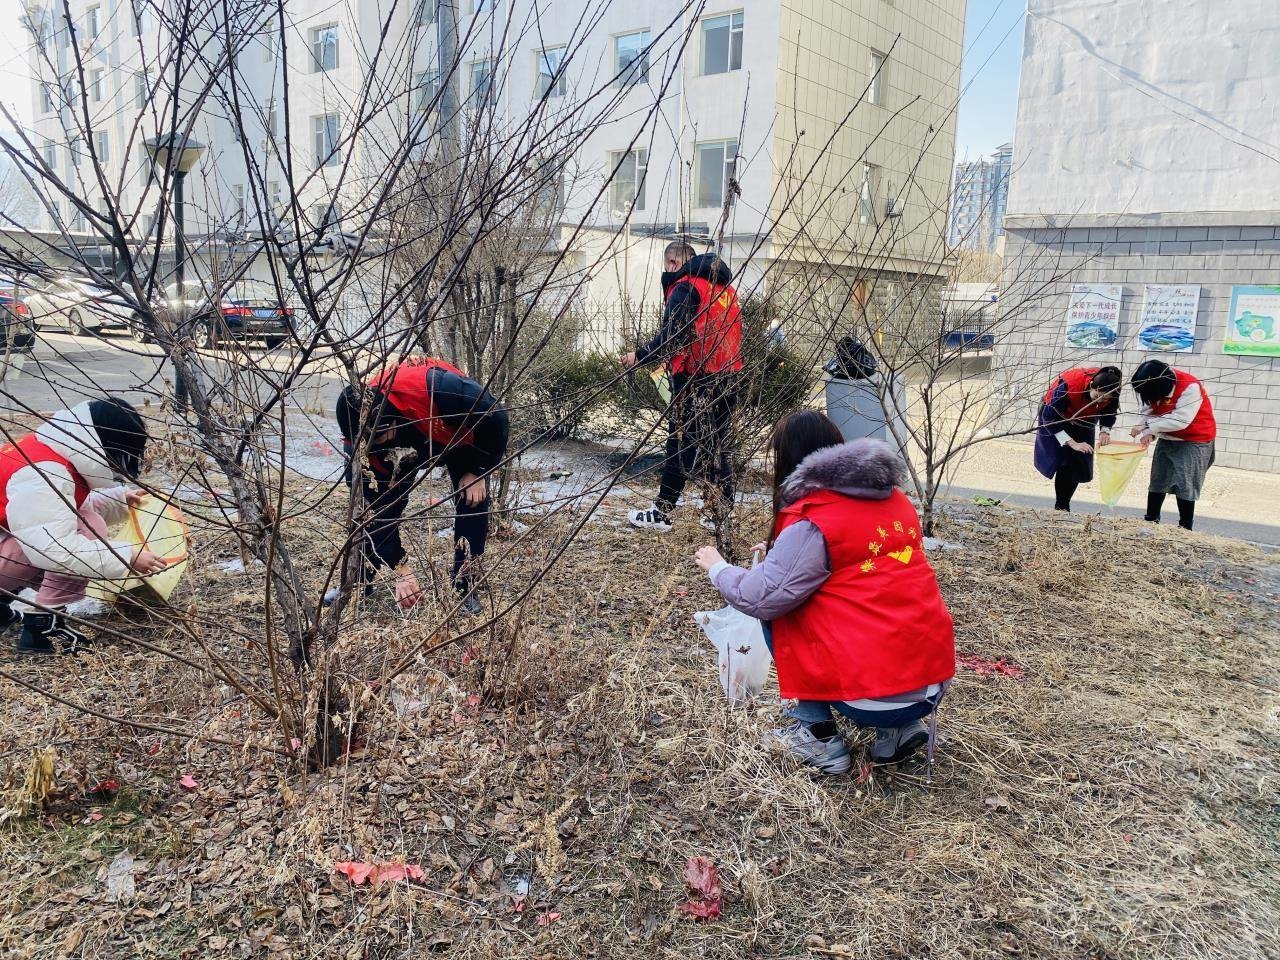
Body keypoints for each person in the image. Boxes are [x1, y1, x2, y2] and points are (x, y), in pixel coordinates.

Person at [694, 410, 956, 775]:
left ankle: (817, 736)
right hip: (930, 684)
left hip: (872, 696)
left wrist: (718, 567)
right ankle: (896, 732)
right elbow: (858, 570)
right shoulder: (896, 502)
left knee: (781, 612)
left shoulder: (814, 518)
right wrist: (786, 550)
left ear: (790, 460)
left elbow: (763, 597)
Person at [333, 356, 509, 616]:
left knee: (473, 501)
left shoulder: (442, 389)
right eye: (368, 443)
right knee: (375, 510)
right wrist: (401, 568)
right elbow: (373, 511)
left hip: (457, 434)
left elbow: (497, 420)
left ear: (389, 420)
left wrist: (478, 471)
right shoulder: (360, 445)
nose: (375, 446)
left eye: (378, 438)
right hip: (411, 442)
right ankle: (357, 581)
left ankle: (464, 587)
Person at [0, 398, 164, 654]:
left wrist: (117, 500)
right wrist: (127, 556)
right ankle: (43, 627)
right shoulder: (43, 472)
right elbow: (54, 549)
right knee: (85, 531)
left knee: (78, 523)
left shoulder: (51, 451)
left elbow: (56, 507)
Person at [621, 241, 743, 532]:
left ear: (674, 264)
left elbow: (672, 336)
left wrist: (638, 356)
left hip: (695, 379)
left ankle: (662, 513)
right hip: (728, 377)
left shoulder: (686, 288)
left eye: (667, 267)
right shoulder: (725, 290)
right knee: (716, 446)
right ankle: (721, 512)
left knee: (678, 444)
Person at [1129, 360, 1216, 531]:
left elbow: (1180, 421)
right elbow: (1149, 412)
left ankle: (1184, 528)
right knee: (1158, 479)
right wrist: (1149, 433)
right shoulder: (1150, 384)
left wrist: (1147, 427)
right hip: (1168, 437)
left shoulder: (1189, 387)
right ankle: (1150, 521)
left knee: (1185, 483)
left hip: (1195, 439)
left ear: (1161, 388)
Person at [1033, 365, 1122, 511]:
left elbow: (1109, 411)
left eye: (1105, 398)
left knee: (1079, 459)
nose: (1099, 401)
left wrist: (1105, 431)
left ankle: (1063, 504)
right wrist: (1072, 442)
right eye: (1097, 396)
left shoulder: (1113, 390)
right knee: (1062, 459)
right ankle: (1061, 505)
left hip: (1084, 418)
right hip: (1057, 417)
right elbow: (1049, 417)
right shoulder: (1070, 385)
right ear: (1092, 385)